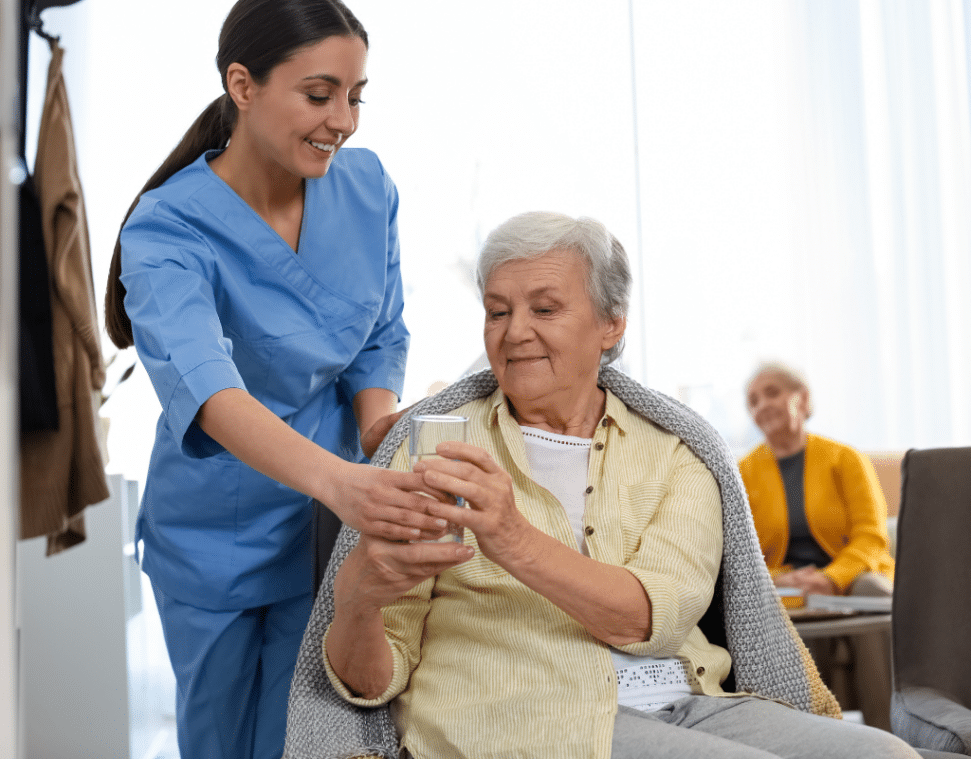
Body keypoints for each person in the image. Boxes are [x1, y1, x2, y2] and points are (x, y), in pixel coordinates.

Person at [309, 212, 918, 759]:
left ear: (610, 325)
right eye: (498, 311)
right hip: (522, 717)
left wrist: (512, 536)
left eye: (544, 310)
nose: (514, 331)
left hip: (684, 699)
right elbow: (370, 684)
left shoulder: (678, 452)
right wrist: (358, 604)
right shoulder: (434, 445)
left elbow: (653, 615)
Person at [103, 2, 449, 757]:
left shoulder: (366, 188)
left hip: (323, 529)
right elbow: (209, 388)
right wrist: (342, 481)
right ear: (243, 85)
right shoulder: (167, 228)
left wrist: (378, 428)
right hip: (212, 538)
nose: (345, 121)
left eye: (357, 96)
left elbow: (380, 332)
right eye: (320, 94)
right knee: (223, 742)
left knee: (313, 737)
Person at [739, 362, 896, 729]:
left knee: (872, 591)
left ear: (803, 399)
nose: (762, 405)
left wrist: (830, 578)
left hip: (851, 578)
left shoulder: (845, 458)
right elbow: (742, 553)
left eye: (773, 392)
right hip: (786, 588)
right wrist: (784, 580)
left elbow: (871, 536)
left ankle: (889, 735)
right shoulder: (744, 472)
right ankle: (815, 739)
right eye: (753, 401)